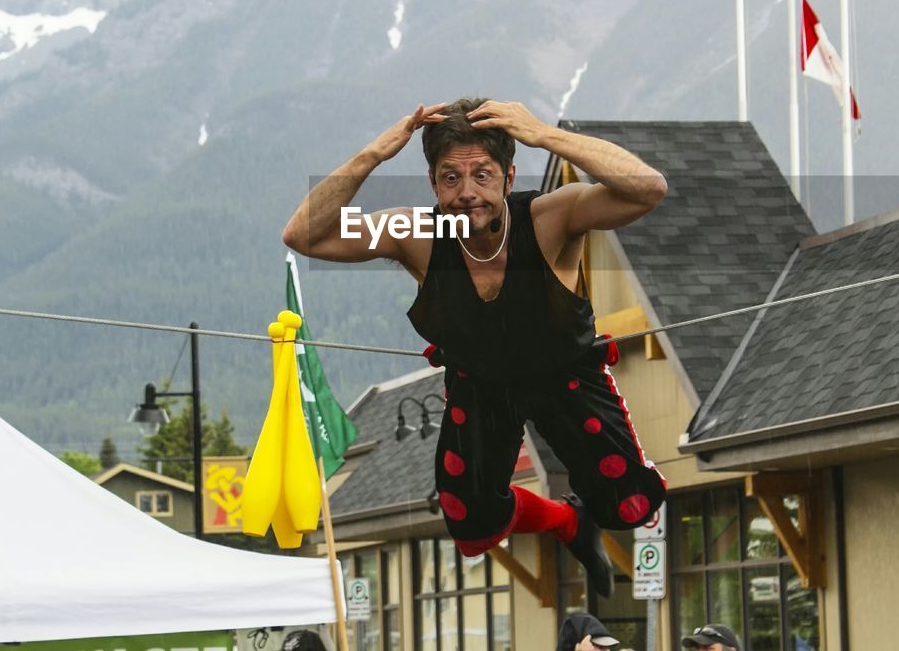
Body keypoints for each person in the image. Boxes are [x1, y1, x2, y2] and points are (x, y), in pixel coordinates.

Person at [283, 98, 668, 596]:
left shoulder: (553, 216)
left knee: (628, 505)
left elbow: (649, 189)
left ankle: (590, 515)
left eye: (482, 176)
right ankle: (568, 523)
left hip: (567, 376)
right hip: (479, 384)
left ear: (509, 178)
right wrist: (375, 153)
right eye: (450, 178)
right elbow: (303, 234)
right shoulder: (418, 233)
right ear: (433, 184)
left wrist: (543, 134)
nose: (467, 194)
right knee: (471, 525)